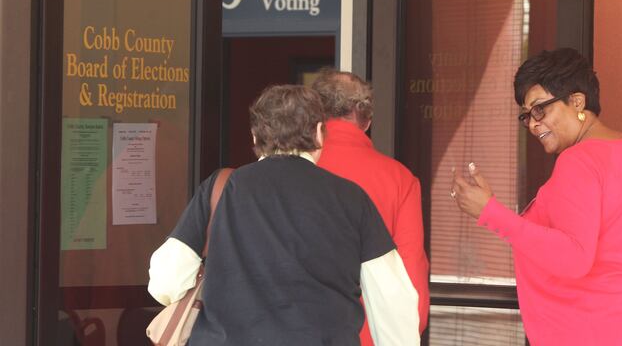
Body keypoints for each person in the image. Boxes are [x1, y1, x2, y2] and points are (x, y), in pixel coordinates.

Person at [450, 48, 622, 346]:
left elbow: (573, 258)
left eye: (540, 109)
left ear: (577, 101)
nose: (533, 124)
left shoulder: (578, 161)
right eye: (527, 116)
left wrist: (490, 212)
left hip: (607, 334)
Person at [148, 85, 420, 345]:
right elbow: (392, 302)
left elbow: (166, 280)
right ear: (319, 133)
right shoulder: (352, 198)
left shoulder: (223, 188)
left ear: (255, 137)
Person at [312, 68, 430, 345]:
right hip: (370, 335)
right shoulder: (399, 179)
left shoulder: (289, 174)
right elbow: (410, 271)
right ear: (364, 118)